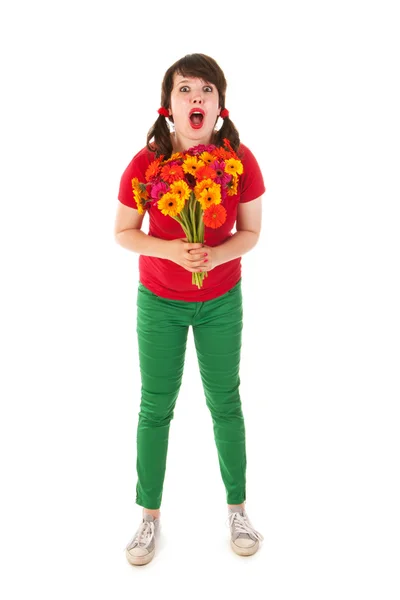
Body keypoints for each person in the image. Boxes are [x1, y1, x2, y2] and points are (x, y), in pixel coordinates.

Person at [115, 53, 266, 566]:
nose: (196, 97)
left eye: (206, 89)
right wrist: (172, 250)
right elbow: (123, 232)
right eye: (185, 89)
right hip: (159, 303)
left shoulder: (239, 160)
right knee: (155, 407)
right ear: (167, 106)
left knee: (226, 401)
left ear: (220, 106)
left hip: (221, 301)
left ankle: (238, 509)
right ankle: (148, 518)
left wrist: (216, 254)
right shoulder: (145, 165)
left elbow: (250, 231)